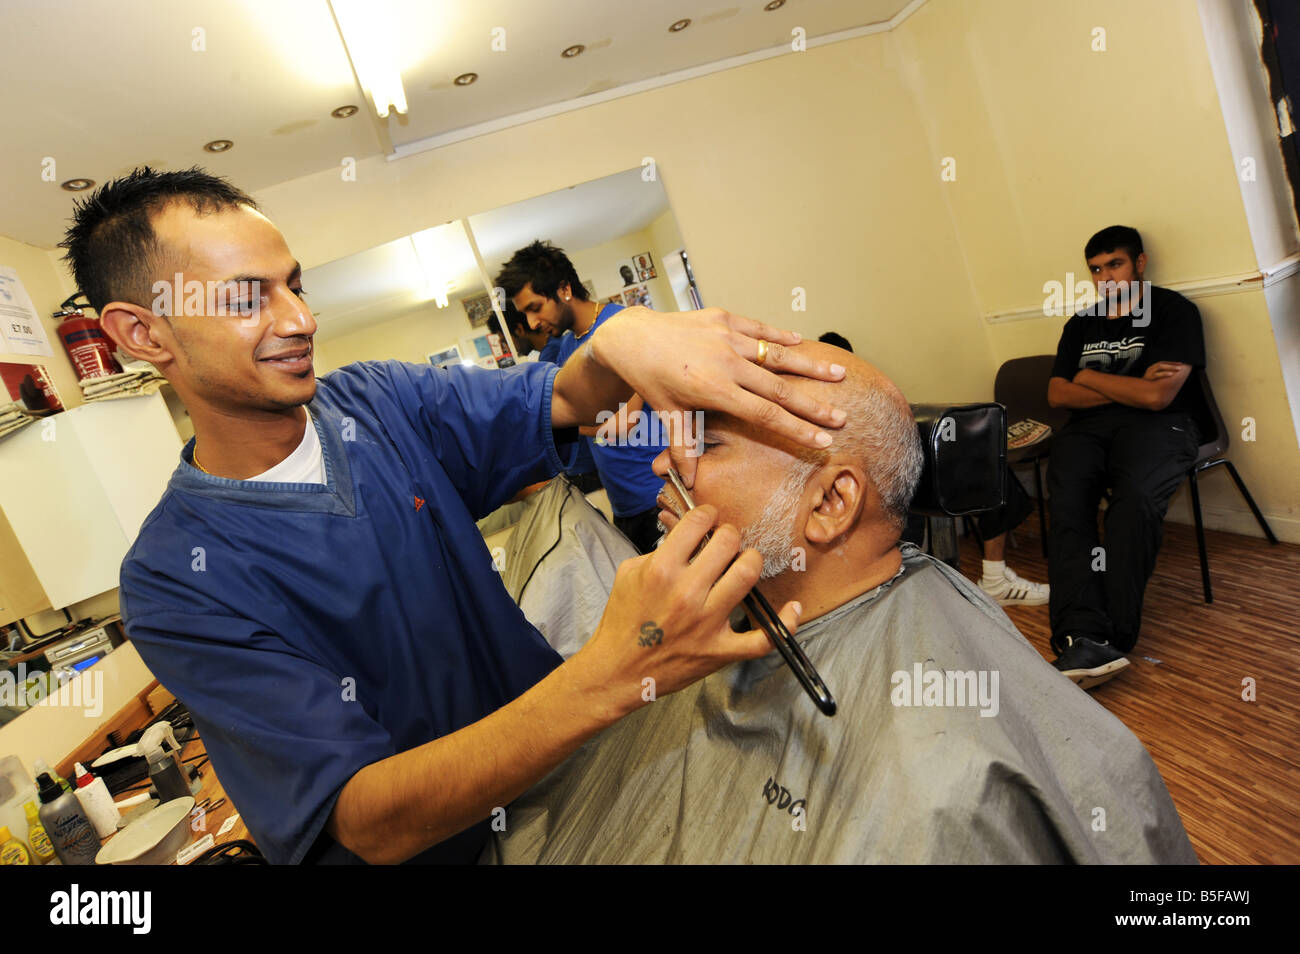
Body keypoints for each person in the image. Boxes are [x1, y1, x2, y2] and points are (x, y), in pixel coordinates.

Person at [63, 166, 849, 865]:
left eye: (294, 284)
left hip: (575, 786)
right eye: (245, 298)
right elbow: (368, 820)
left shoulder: (381, 403)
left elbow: (571, 395)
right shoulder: (176, 581)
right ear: (142, 333)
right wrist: (615, 672)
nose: (299, 319)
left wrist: (628, 335)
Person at [487, 342, 1198, 864]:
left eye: (707, 441)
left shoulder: (931, 795)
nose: (664, 462)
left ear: (830, 502)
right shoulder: (711, 619)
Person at [1046, 226, 1205, 688]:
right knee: (1068, 505)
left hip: (1164, 426)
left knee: (1133, 501)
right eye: (1095, 269)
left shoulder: (1174, 312)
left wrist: (1088, 377)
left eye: (1114, 264)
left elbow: (1158, 399)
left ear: (1140, 263)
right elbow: (1058, 393)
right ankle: (1079, 636)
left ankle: (1112, 635)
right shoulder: (1081, 324)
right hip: (1089, 432)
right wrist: (1131, 386)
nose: (1105, 277)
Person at [818, 331, 1048, 606]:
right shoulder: (815, 405)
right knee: (914, 484)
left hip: (901, 465)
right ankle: (960, 581)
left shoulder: (869, 392)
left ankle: (994, 579)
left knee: (983, 464)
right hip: (870, 480)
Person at [497, 241, 666, 553]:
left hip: (658, 495)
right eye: (526, 314)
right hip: (625, 505)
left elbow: (622, 423)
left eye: (535, 308)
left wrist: (555, 424)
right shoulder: (566, 349)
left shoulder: (620, 326)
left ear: (563, 290)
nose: (533, 323)